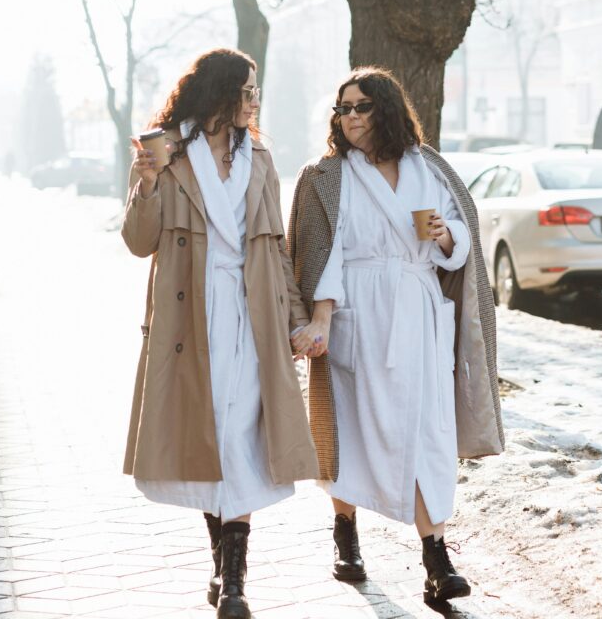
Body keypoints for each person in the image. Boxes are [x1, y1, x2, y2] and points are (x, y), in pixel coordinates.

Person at [287, 67, 504, 605]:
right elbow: (320, 253)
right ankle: (345, 535)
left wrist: (446, 234)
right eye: (343, 109)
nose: (351, 117)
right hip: (358, 312)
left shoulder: (428, 167)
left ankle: (436, 557)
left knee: (427, 432)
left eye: (361, 107)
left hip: (420, 311)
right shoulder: (326, 176)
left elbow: (461, 236)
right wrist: (320, 319)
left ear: (385, 108)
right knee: (351, 433)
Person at [121, 49, 317, 619]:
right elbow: (138, 242)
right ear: (221, 92)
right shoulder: (167, 152)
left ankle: (233, 580)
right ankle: (221, 562)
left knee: (239, 437)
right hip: (191, 318)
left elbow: (276, 248)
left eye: (257, 92)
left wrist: (296, 318)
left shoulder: (259, 157)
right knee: (211, 436)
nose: (255, 101)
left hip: (251, 315)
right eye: (248, 90)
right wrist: (146, 185)